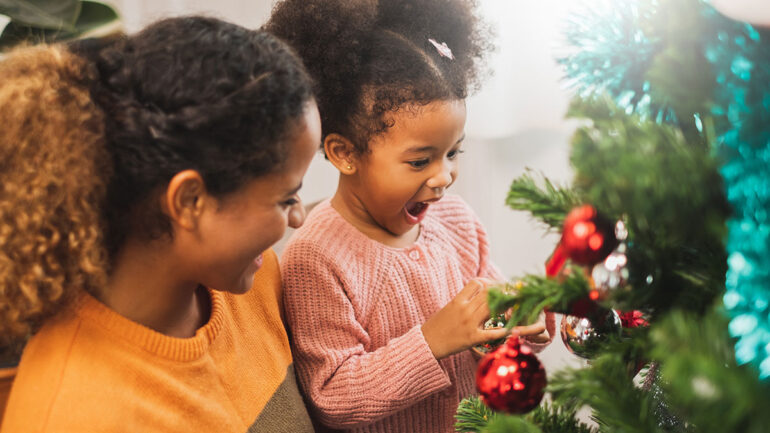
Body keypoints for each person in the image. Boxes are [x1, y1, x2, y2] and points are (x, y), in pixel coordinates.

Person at [0, 16, 320, 432]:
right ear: (189, 201)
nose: (298, 217)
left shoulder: (256, 282)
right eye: (285, 198)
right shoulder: (69, 415)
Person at [266, 1, 556, 431]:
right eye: (420, 162)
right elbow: (331, 397)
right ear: (345, 153)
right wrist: (432, 341)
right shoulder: (315, 258)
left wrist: (518, 324)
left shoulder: (457, 222)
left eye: (453, 152)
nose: (444, 177)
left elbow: (491, 321)